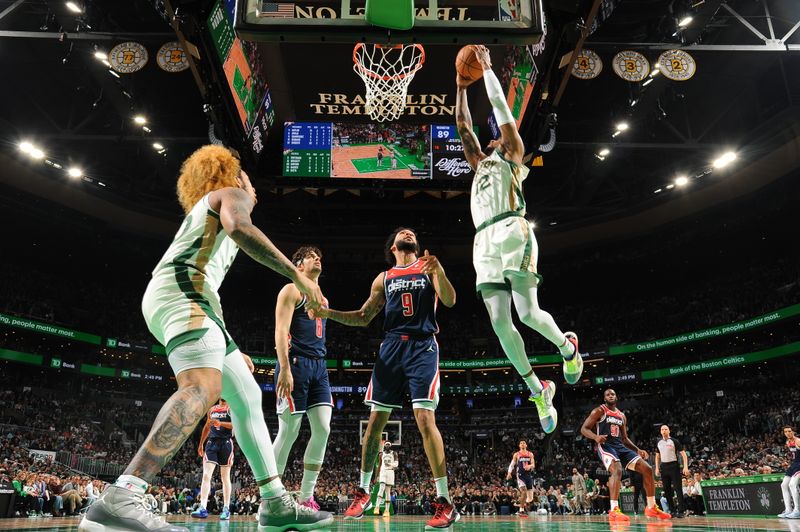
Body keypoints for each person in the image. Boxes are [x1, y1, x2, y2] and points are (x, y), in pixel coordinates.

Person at [79, 145, 332, 532]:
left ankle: (276, 503)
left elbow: (210, 275)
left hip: (195, 299)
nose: (248, 180)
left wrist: (231, 344)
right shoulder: (231, 196)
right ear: (231, 175)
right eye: (242, 173)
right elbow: (242, 230)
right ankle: (122, 496)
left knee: (246, 394)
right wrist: (295, 274)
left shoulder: (211, 206)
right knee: (203, 385)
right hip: (183, 292)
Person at [455, 44, 583, 434]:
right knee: (498, 323)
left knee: (527, 313)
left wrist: (488, 71)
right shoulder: (479, 163)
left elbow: (501, 112)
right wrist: (460, 87)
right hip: (482, 241)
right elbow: (463, 128)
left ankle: (567, 348)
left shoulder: (513, 153)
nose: (489, 140)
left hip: (513, 229)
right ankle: (538, 388)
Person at [311, 227, 460, 529]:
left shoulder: (428, 266)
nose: (408, 232)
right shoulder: (384, 277)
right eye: (402, 232)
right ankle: (363, 491)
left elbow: (450, 300)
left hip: (422, 346)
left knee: (424, 419)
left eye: (412, 232)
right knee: (375, 422)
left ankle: (445, 501)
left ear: (415, 244)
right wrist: (329, 315)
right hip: (391, 347)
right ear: (392, 246)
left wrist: (440, 272)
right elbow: (364, 316)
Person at [272, 246, 333, 512]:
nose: (317, 258)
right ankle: (271, 495)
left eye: (319, 255)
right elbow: (280, 331)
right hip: (295, 365)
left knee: (323, 428)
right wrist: (284, 368)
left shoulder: (323, 298)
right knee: (289, 432)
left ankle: (306, 496)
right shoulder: (291, 290)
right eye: (310, 256)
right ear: (298, 265)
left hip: (319, 367)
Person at [580, 388, 671, 523]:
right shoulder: (600, 410)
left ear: (616, 397)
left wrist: (637, 449)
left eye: (613, 394)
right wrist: (596, 437)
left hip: (620, 446)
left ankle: (651, 507)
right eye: (607, 394)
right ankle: (614, 510)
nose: (610, 396)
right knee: (617, 470)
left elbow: (624, 438)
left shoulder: (622, 416)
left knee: (647, 469)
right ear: (604, 398)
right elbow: (584, 429)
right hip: (606, 446)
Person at [191, 398, 234, 520]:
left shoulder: (231, 408)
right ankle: (202, 507)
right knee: (206, 476)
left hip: (225, 443)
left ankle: (226, 508)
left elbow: (235, 425)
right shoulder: (212, 409)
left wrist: (220, 423)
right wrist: (201, 444)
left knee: (225, 477)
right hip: (211, 443)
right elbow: (207, 426)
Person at [655, 424, 689, 518]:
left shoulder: (674, 441)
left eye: (666, 429)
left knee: (678, 489)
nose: (664, 431)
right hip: (664, 467)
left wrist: (685, 467)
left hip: (674, 466)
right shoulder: (658, 442)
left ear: (669, 431)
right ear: (660, 431)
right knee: (667, 490)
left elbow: (684, 454)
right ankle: (672, 511)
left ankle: (682, 511)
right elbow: (657, 456)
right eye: (662, 429)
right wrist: (657, 468)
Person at [506, 440, 534, 517]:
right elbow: (512, 464)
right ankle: (521, 510)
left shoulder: (530, 454)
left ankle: (520, 501)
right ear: (519, 445)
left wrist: (530, 466)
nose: (522, 444)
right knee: (524, 492)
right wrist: (509, 473)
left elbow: (533, 464)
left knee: (530, 499)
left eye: (524, 443)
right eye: (521, 443)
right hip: (520, 476)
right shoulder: (516, 454)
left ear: (526, 445)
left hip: (528, 476)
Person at [779, 425, 800, 518]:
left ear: (793, 432)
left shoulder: (798, 441)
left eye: (789, 431)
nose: (787, 433)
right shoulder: (788, 442)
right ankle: (788, 509)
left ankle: (797, 510)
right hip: (794, 465)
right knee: (783, 485)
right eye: (785, 432)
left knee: (792, 485)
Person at [374, 441, 398, 515]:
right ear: (384, 446)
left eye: (388, 444)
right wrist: (376, 476)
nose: (387, 445)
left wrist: (390, 464)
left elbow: (396, 464)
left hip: (390, 472)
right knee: (381, 488)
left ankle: (387, 510)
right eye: (386, 444)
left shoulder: (394, 453)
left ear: (390, 446)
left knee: (387, 492)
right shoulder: (381, 454)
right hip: (383, 472)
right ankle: (377, 507)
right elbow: (379, 465)